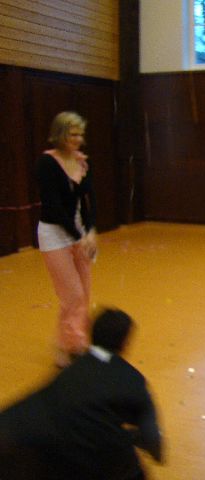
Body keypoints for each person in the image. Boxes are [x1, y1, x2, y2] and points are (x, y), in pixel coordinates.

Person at [0, 308, 163, 480]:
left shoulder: (72, 369)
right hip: (86, 457)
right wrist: (134, 438)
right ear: (124, 343)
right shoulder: (132, 379)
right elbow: (154, 443)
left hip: (15, 439)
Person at [36, 111, 97, 368]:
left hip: (79, 232)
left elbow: (87, 200)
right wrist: (77, 237)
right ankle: (73, 346)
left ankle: (70, 344)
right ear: (60, 134)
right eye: (73, 134)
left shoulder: (82, 161)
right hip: (55, 235)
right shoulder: (47, 164)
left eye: (80, 134)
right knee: (72, 295)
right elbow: (53, 207)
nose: (78, 139)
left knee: (84, 293)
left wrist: (90, 230)